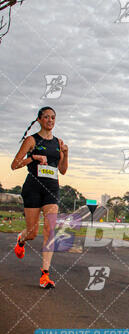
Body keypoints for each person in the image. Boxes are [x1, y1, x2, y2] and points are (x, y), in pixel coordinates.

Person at [11, 106, 68, 288]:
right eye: (46, 117)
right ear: (39, 120)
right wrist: (33, 158)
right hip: (33, 188)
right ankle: (22, 238)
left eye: (53, 117)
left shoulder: (58, 142)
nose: (50, 120)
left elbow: (63, 170)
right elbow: (15, 165)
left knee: (50, 230)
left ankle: (45, 275)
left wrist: (66, 154)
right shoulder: (31, 140)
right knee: (33, 232)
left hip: (52, 188)